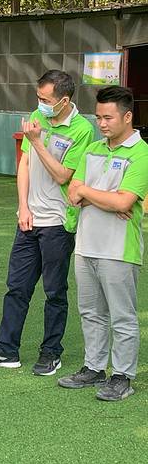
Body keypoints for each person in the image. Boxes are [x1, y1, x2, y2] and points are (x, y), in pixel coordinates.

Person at [0, 70, 94, 375]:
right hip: (28, 220)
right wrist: (23, 207)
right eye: (38, 97)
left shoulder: (82, 130)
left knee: (54, 292)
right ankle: (6, 349)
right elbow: (24, 163)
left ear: (64, 100)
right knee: (16, 288)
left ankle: (51, 352)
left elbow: (63, 175)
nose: (40, 104)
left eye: (46, 100)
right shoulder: (38, 115)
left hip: (58, 223)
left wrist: (37, 141)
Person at [58, 86, 148, 401]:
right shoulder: (92, 149)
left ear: (127, 116)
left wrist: (90, 193)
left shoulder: (141, 154)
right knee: (90, 312)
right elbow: (72, 193)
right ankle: (94, 368)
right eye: (98, 117)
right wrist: (105, 198)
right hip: (86, 245)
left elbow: (123, 202)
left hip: (119, 250)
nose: (102, 123)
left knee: (122, 316)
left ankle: (122, 376)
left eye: (108, 117)